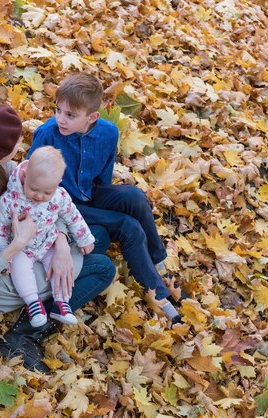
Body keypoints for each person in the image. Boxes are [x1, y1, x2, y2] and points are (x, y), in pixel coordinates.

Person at [0, 103, 116, 372]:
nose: (20, 146)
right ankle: (24, 335)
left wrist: (61, 242)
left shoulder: (1, 167)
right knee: (103, 268)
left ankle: (50, 293)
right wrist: (17, 246)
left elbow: (42, 206)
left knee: (98, 237)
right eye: (15, 142)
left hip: (27, 243)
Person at [28, 73, 184, 324]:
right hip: (62, 205)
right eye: (58, 110)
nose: (60, 119)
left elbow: (103, 178)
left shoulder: (108, 133)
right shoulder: (48, 134)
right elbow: (31, 183)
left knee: (134, 196)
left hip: (90, 193)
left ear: (92, 118)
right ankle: (160, 295)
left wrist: (107, 205)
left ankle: (159, 262)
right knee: (127, 225)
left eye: (70, 115)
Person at [0, 146, 95, 327]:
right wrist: (3, 257)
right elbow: (1, 230)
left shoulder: (59, 196)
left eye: (47, 192)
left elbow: (72, 216)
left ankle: (61, 303)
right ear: (24, 175)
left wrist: (84, 238)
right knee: (20, 269)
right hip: (21, 247)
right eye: (34, 189)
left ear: (58, 183)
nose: (39, 196)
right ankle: (33, 303)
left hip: (47, 241)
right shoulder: (10, 200)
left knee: (58, 268)